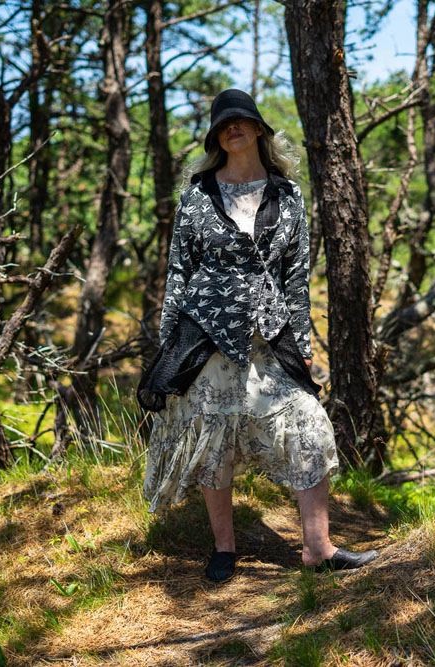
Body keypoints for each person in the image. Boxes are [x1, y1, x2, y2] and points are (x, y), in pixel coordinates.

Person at [139, 89, 379, 583]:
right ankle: (224, 550)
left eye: (242, 121)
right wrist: (168, 345)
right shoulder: (197, 195)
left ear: (259, 130)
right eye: (223, 125)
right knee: (213, 440)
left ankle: (319, 549)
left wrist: (305, 347)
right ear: (216, 138)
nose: (234, 129)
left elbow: (296, 277)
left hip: (270, 333)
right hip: (204, 333)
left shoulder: (288, 195)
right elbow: (178, 272)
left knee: (309, 426)